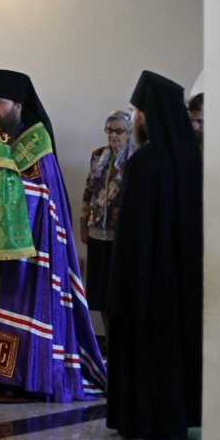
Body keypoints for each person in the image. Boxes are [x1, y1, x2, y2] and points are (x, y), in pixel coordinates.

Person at [0, 69, 106, 402]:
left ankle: (19, 379)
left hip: (26, 256)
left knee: (15, 312)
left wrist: (6, 229)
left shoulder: (36, 146)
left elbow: (42, 201)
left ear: (18, 106)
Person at [106, 70, 202, 440]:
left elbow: (133, 234)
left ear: (149, 113)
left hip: (144, 284)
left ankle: (144, 420)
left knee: (146, 353)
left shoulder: (145, 162)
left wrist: (122, 286)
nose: (134, 119)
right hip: (179, 283)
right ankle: (174, 418)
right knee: (174, 352)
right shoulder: (190, 159)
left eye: (136, 111)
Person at [79, 110, 134, 355]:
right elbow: (88, 191)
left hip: (120, 236)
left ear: (129, 132)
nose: (113, 135)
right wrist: (83, 224)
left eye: (118, 131)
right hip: (97, 232)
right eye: (109, 130)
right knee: (100, 292)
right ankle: (110, 340)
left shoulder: (135, 158)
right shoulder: (98, 156)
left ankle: (121, 342)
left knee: (118, 293)